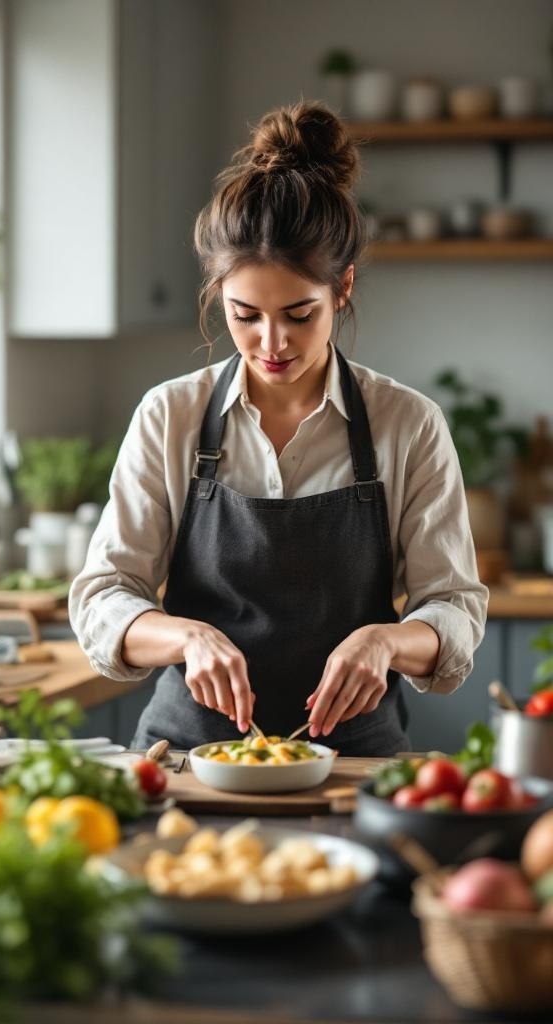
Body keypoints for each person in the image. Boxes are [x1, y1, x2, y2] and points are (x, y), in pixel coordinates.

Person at [69, 101, 488, 756]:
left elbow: (454, 607)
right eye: (245, 315)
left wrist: (386, 640)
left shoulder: (407, 424)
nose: (271, 342)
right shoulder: (170, 417)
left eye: (299, 314)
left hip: (354, 765)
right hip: (184, 762)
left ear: (342, 288)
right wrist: (186, 637)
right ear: (218, 297)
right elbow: (104, 597)